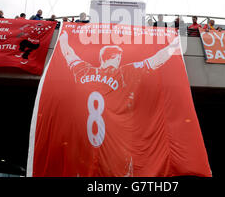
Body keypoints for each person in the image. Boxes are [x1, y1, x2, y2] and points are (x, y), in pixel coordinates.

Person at [59, 30, 180, 176]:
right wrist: (173, 45)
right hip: (116, 142)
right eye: (118, 58)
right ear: (115, 58)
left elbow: (69, 54)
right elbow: (156, 60)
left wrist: (63, 39)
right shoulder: (124, 72)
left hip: (85, 143)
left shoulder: (83, 70)